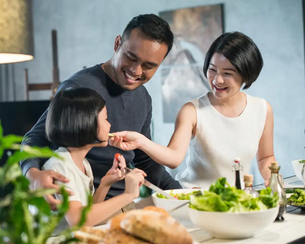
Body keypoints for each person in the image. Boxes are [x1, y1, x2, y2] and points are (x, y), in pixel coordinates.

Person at [21, 14, 181, 209]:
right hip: (83, 205)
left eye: (149, 66)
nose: (136, 71)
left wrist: (183, 195)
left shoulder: (143, 98)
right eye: (131, 57)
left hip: (124, 203)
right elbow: (35, 138)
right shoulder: (79, 87)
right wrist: (33, 175)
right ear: (117, 44)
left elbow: (145, 161)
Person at [109, 31, 277, 189]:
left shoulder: (262, 109)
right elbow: (174, 157)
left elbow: (265, 158)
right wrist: (140, 141)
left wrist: (273, 179)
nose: (217, 79)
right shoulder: (192, 111)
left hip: (234, 201)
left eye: (227, 73)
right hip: (193, 200)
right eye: (212, 70)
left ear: (246, 74)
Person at [42, 88, 146, 229]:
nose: (109, 125)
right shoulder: (58, 166)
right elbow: (78, 219)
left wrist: (105, 183)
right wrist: (128, 194)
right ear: (86, 123)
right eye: (105, 118)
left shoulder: (84, 163)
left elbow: (90, 215)